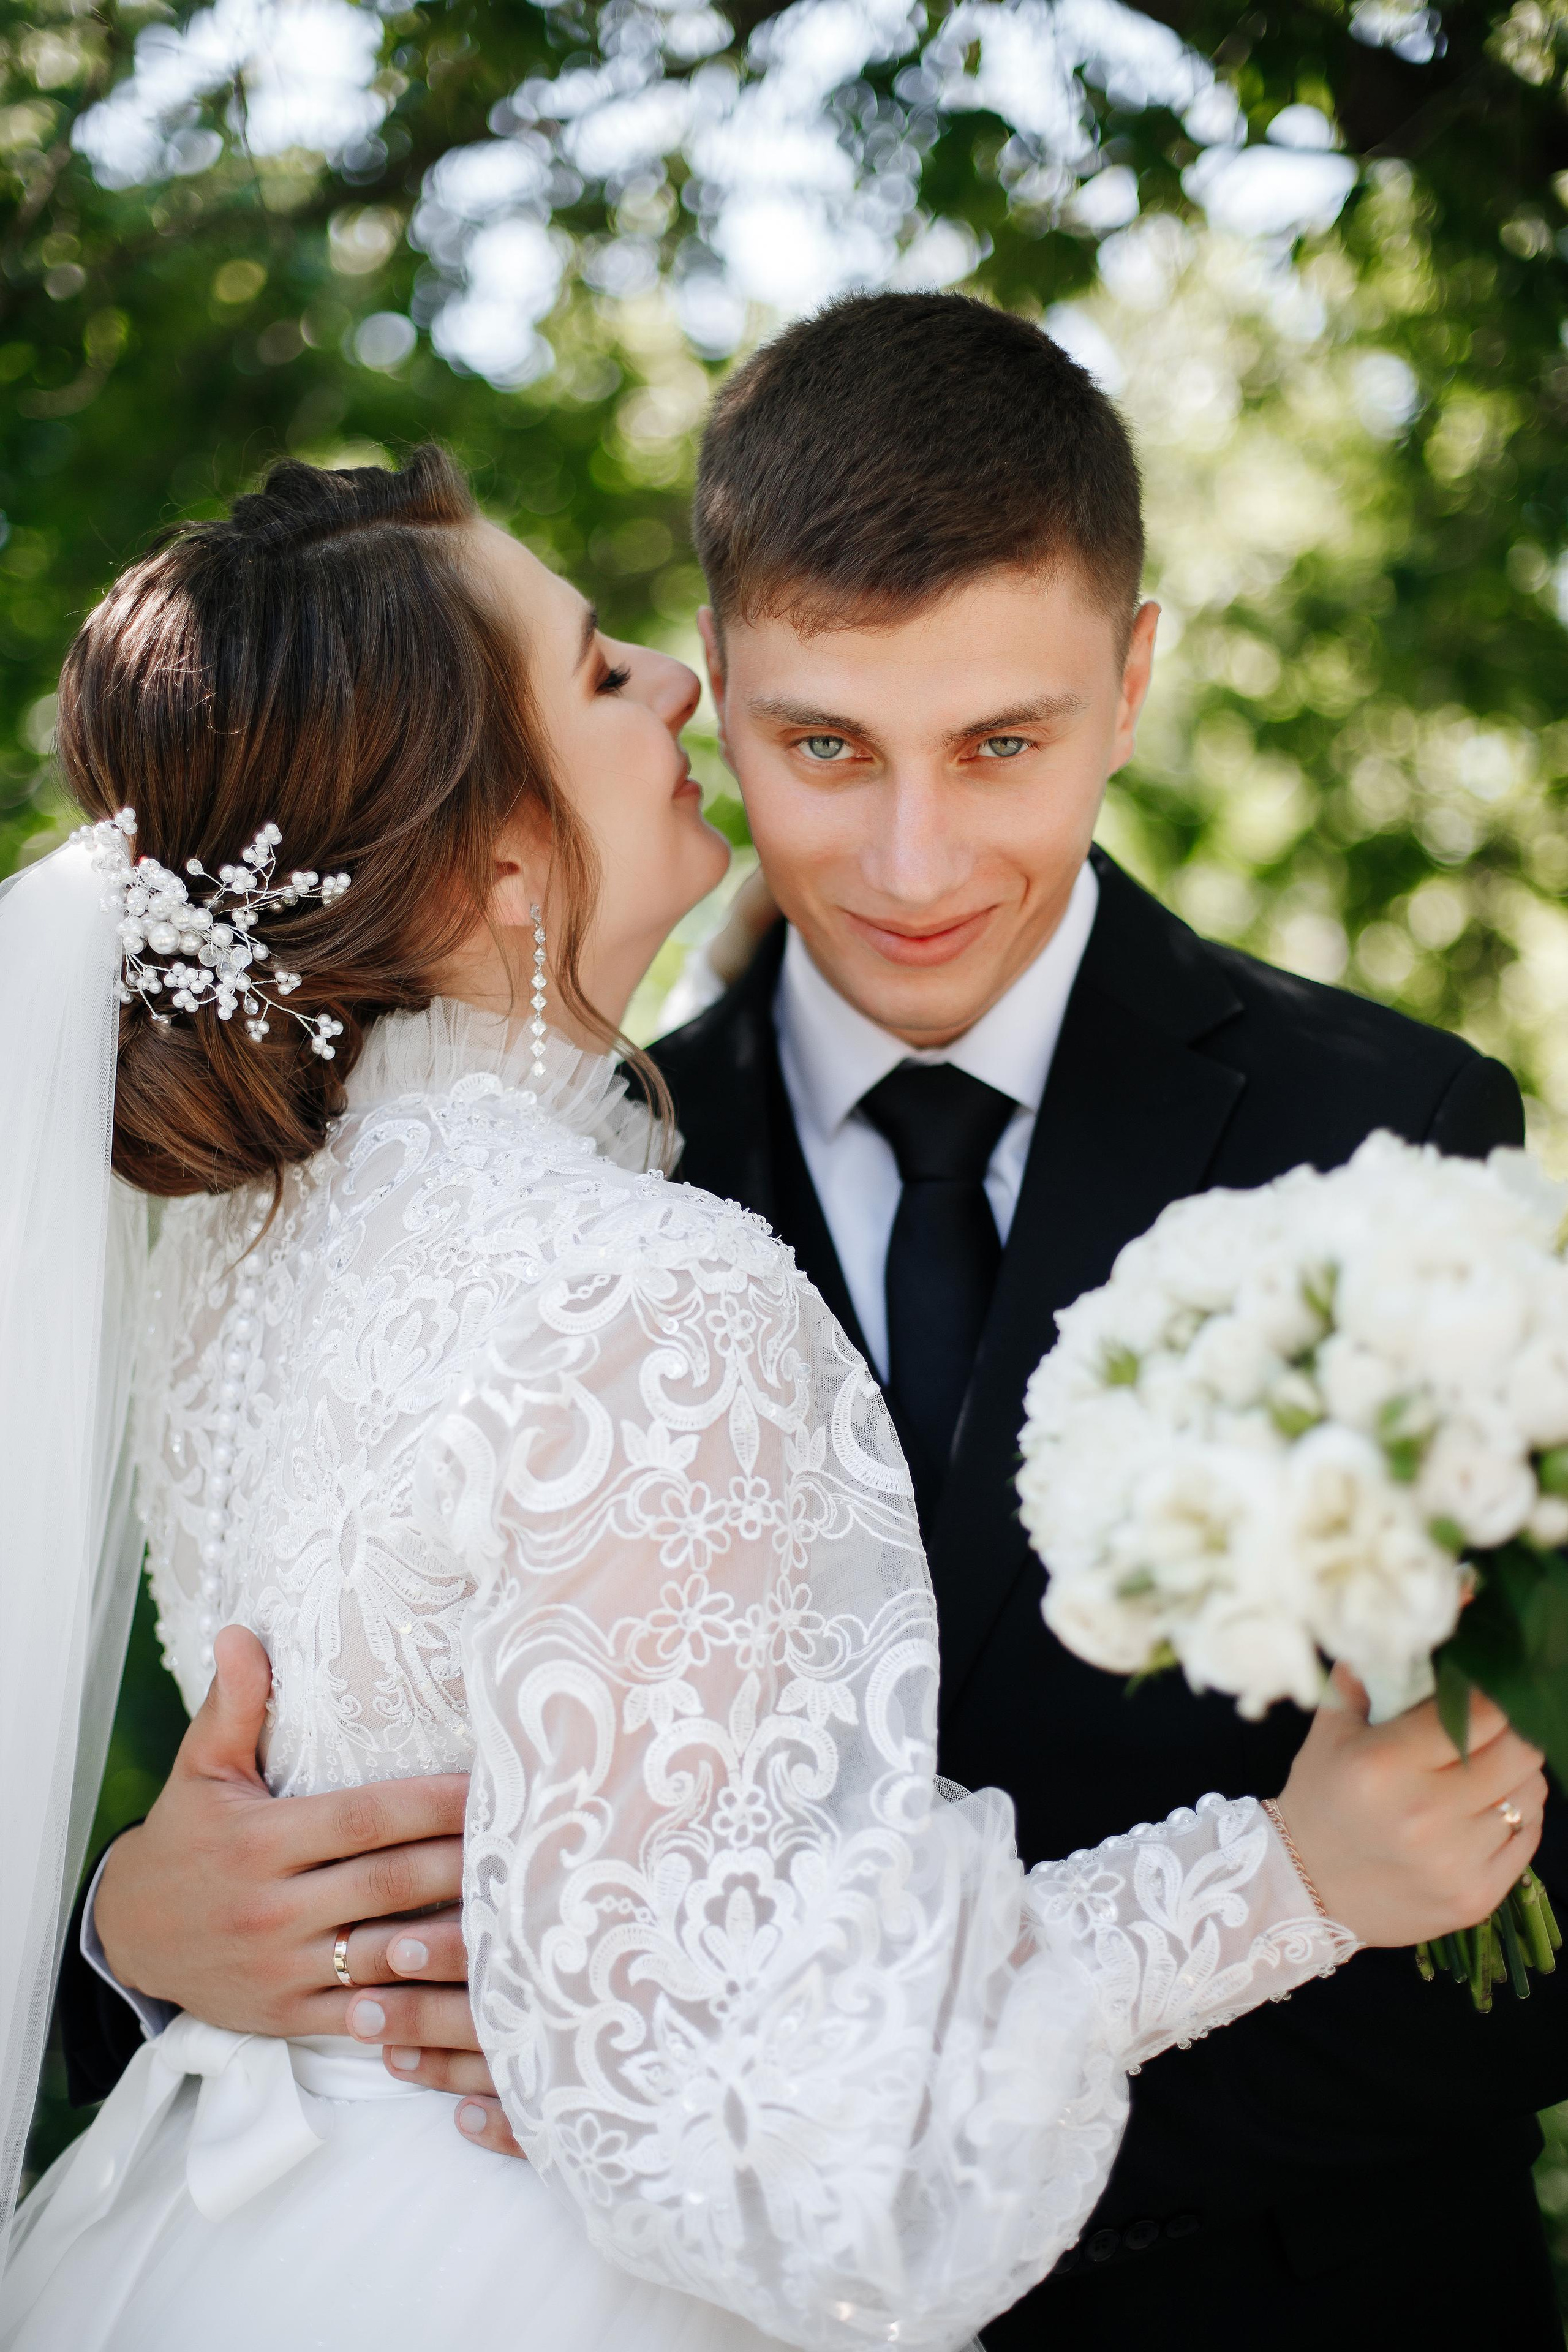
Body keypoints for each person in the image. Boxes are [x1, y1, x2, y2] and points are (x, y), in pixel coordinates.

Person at [0, 446, 1541, 2352]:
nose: (668, 683)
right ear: (498, 859)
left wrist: (573, 2025)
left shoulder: (248, 1253)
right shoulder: (649, 1271)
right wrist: (1292, 1878)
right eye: (601, 671)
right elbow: (749, 2113)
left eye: (1000, 741)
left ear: (1128, 684)